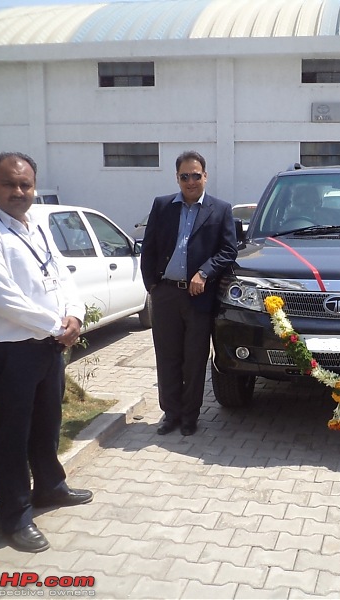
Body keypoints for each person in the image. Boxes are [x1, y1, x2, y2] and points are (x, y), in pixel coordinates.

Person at [0, 152, 92, 553]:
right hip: (10, 351)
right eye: (10, 184)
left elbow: (60, 274)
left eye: (26, 184)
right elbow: (3, 299)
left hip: (47, 345)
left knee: (48, 421)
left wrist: (74, 314)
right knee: (12, 436)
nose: (19, 191)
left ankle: (50, 487)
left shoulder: (35, 226)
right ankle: (14, 516)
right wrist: (57, 328)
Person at [140, 151, 237, 437]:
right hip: (166, 294)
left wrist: (204, 272)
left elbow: (229, 250)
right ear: (177, 178)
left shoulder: (220, 210)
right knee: (167, 356)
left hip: (198, 297)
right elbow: (150, 248)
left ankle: (191, 415)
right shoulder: (162, 206)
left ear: (205, 176)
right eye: (185, 176)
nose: (191, 181)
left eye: (196, 175)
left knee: (194, 358)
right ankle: (171, 413)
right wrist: (152, 286)